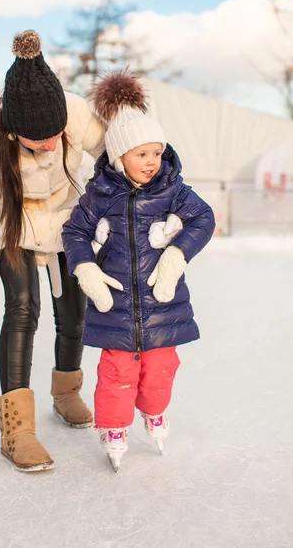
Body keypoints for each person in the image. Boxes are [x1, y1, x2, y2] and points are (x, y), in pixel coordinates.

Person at [0, 30, 106, 472]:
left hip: (67, 218)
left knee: (74, 310)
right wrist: (47, 240)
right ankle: (17, 430)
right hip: (11, 225)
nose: (50, 144)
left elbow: (110, 152)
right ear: (14, 131)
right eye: (37, 140)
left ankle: (66, 394)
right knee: (24, 306)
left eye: (55, 135)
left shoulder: (76, 111)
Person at [62, 72, 216, 471]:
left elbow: (203, 218)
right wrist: (85, 268)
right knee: (116, 370)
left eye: (157, 152)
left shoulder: (173, 189)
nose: (152, 162)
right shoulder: (101, 193)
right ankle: (114, 427)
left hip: (162, 301)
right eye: (142, 154)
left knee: (162, 367)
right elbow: (75, 230)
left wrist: (177, 255)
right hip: (114, 303)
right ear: (119, 157)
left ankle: (154, 411)